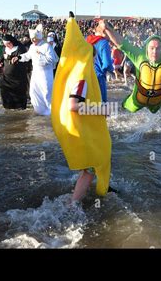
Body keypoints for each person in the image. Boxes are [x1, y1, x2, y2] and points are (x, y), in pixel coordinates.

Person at [51, 13, 112, 203]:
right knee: (91, 169)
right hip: (80, 131)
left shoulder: (71, 74)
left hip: (76, 129)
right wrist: (101, 110)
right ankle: (72, 205)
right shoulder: (81, 78)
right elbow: (73, 105)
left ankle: (78, 196)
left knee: (88, 168)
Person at [18, 24, 56, 116]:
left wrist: (40, 59)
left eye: (35, 38)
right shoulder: (32, 47)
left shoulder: (46, 46)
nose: (33, 41)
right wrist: (19, 57)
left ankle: (51, 112)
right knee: (34, 92)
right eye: (32, 39)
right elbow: (27, 56)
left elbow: (52, 59)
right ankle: (40, 111)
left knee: (46, 93)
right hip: (35, 73)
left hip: (45, 74)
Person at [0, 35, 29, 110]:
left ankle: (20, 107)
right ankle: (7, 106)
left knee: (18, 92)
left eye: (8, 44)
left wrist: (13, 58)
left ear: (12, 42)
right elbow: (2, 57)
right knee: (4, 90)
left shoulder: (20, 48)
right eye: (5, 45)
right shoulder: (5, 48)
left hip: (18, 76)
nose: (7, 46)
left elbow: (24, 58)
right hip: (6, 76)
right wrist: (0, 62)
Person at [86, 20, 114, 102]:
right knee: (101, 104)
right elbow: (107, 64)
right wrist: (112, 71)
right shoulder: (104, 43)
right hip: (98, 77)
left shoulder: (86, 39)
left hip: (86, 75)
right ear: (105, 32)